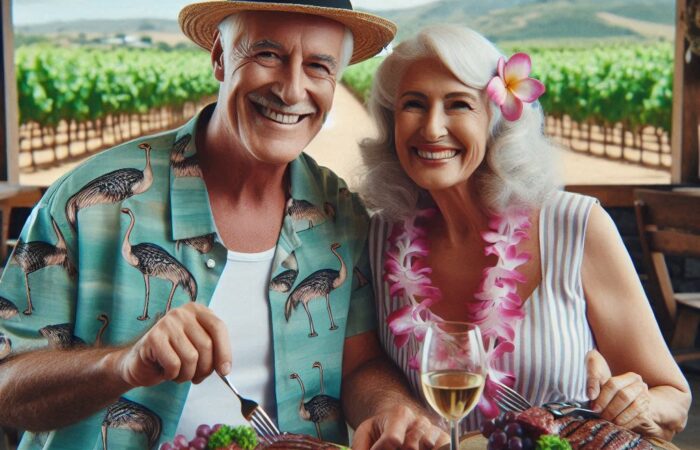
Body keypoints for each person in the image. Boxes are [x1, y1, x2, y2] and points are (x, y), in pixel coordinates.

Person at [0, 2, 448, 449]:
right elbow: (6, 385)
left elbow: (360, 365)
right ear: (219, 57)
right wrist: (124, 365)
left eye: (318, 66)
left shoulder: (339, 213)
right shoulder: (88, 203)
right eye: (268, 55)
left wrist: (389, 409)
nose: (292, 90)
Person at [358, 24, 691, 441]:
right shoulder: (379, 237)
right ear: (392, 121)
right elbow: (363, 366)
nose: (432, 127)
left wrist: (635, 403)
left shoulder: (575, 226)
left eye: (458, 104)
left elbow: (673, 398)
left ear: (496, 120)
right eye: (414, 104)